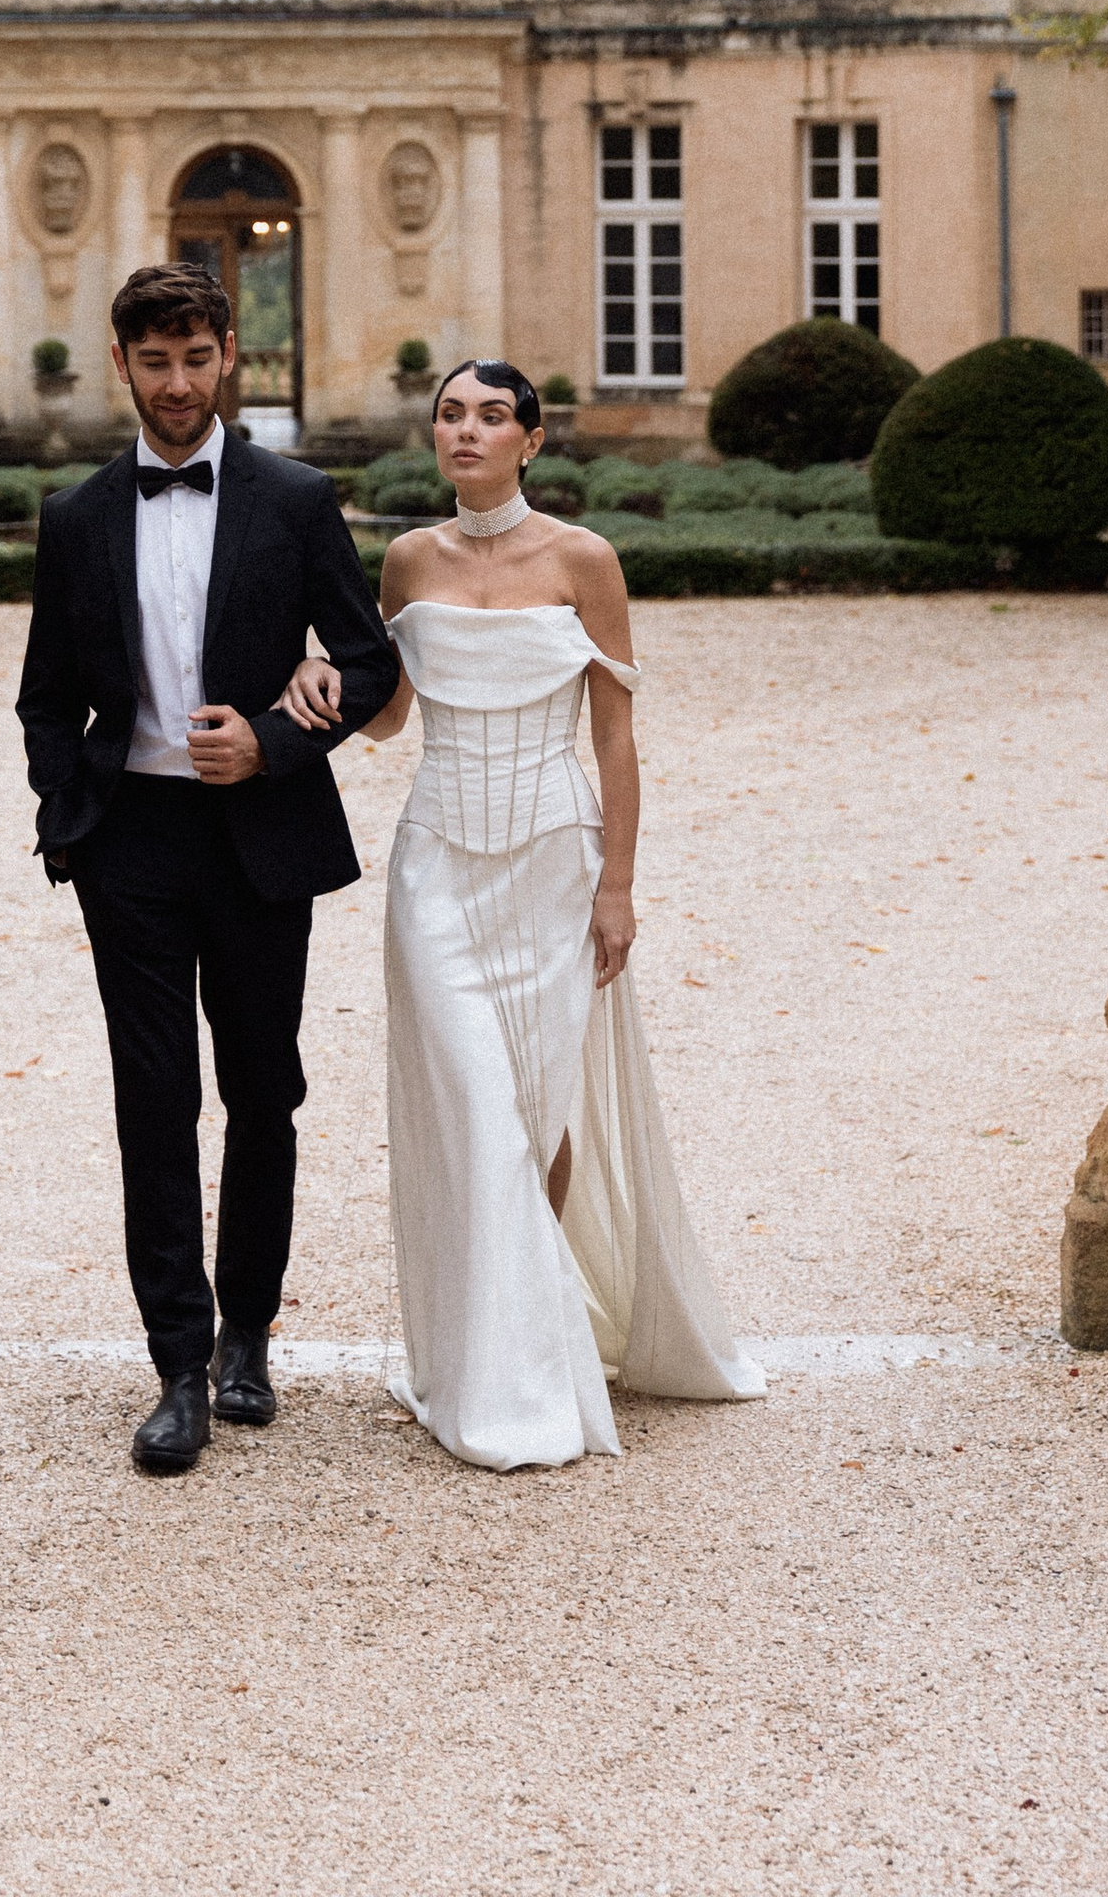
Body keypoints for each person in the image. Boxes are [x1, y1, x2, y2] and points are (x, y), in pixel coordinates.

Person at [280, 358, 764, 1470]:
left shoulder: (583, 561)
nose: (467, 431)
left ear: (530, 441)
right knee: (473, 1106)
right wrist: (314, 676)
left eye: (491, 416)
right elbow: (393, 721)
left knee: (539, 1115)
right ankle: (486, 1366)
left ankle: (528, 1345)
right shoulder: (406, 559)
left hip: (554, 862)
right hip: (437, 870)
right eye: (451, 414)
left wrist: (618, 883)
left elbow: (615, 738)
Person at [17, 261, 399, 1474]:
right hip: (130, 842)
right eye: (154, 362)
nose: (176, 384)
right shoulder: (77, 517)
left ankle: (248, 1340)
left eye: (195, 359)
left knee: (263, 1091)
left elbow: (369, 660)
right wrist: (69, 814)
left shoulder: (294, 497)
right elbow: (43, 699)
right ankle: (175, 1365)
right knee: (152, 1102)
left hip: (256, 840)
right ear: (121, 365)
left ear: (226, 356)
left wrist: (277, 743)